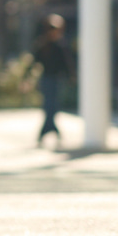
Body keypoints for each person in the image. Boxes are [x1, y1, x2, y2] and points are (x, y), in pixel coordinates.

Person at [33, 14, 75, 146]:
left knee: (54, 106)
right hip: (46, 79)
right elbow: (34, 62)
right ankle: (50, 130)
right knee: (48, 105)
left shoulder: (61, 45)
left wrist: (71, 77)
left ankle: (48, 130)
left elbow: (67, 64)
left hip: (57, 79)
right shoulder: (43, 44)